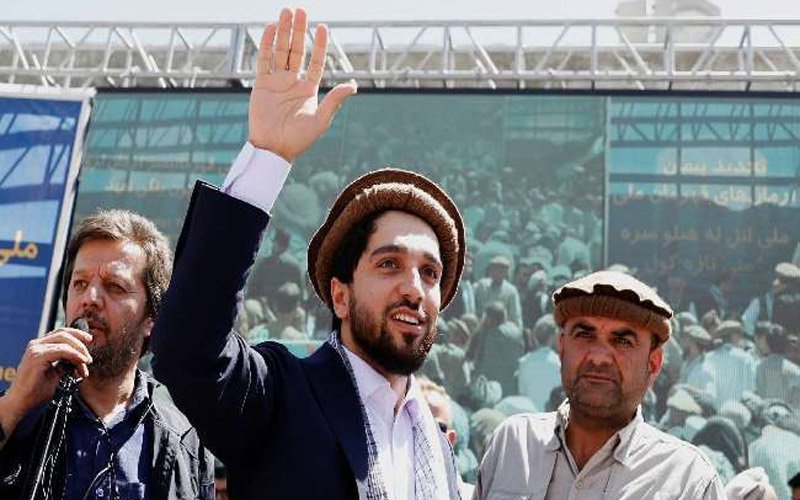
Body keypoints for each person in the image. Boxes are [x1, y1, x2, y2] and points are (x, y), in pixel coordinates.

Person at [149, 7, 463, 499]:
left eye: (430, 273)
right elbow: (188, 350)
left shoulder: (437, 446)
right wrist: (269, 155)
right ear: (340, 295)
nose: (413, 288)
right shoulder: (280, 396)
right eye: (389, 264)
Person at [0, 210, 214, 499]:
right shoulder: (21, 413)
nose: (90, 299)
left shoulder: (185, 438)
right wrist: (13, 405)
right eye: (80, 283)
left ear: (152, 317)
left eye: (114, 287)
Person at [474, 270, 725, 499]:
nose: (598, 357)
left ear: (653, 364)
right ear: (562, 348)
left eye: (623, 341)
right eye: (584, 335)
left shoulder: (687, 481)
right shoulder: (514, 444)